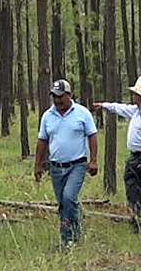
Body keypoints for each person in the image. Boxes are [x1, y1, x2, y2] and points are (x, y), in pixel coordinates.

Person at [92, 74, 141, 231]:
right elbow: (120, 108)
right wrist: (104, 105)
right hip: (134, 157)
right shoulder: (136, 110)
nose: (133, 96)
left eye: (136, 93)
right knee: (132, 189)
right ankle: (138, 220)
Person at [33, 78, 98, 246]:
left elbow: (92, 136)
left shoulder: (82, 113)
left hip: (77, 165)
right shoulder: (48, 116)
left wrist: (94, 160)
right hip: (56, 167)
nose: (57, 100)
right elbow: (42, 141)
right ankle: (68, 237)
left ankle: (71, 237)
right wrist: (38, 165)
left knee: (69, 197)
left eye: (60, 96)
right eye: (54, 96)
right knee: (63, 203)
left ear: (70, 95)